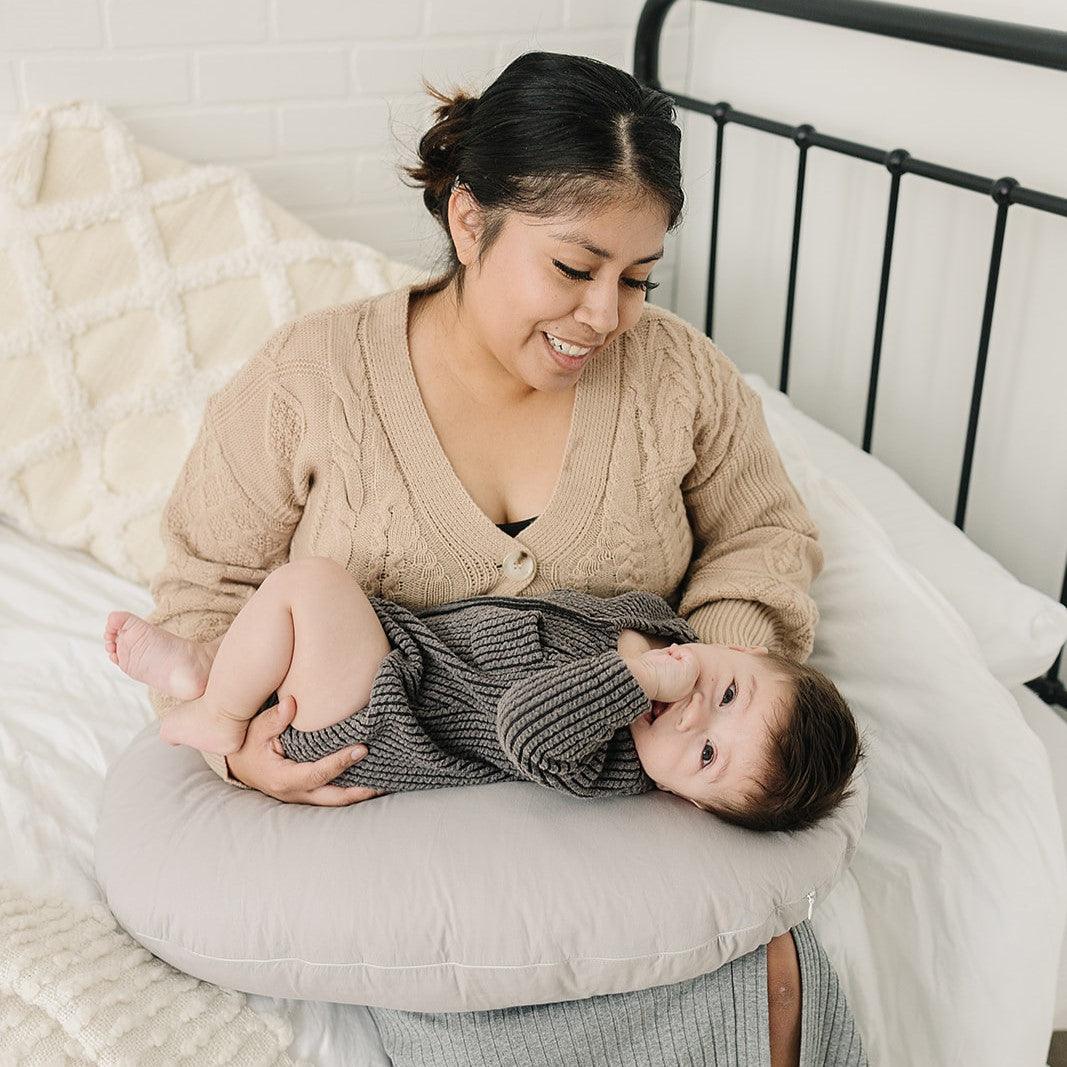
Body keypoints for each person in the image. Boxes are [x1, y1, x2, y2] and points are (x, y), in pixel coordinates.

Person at [143, 50, 865, 1065]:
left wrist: (713, 674)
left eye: (636, 278)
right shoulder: (313, 377)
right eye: (573, 269)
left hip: (619, 807)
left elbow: (761, 534)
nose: (606, 316)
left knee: (773, 982)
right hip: (394, 823)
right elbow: (203, 578)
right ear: (469, 222)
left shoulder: (677, 377)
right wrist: (240, 741)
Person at [106, 559, 861, 830]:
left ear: (685, 800)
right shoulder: (662, 626)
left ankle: (219, 709)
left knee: (309, 585)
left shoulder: (605, 763)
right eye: (727, 692)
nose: (694, 711)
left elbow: (522, 725)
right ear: (738, 647)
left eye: (703, 754)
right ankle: (209, 663)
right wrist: (647, 647)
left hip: (380, 721)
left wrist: (633, 676)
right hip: (403, 652)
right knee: (294, 609)